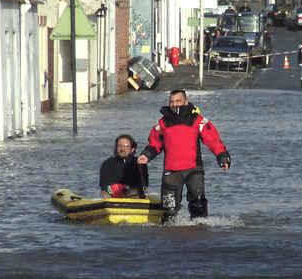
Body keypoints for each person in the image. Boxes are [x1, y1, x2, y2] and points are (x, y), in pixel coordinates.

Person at [137, 90, 231, 223]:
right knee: (169, 211)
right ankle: (169, 238)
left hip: (193, 169)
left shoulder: (198, 120)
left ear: (186, 102)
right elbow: (155, 143)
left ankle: (199, 233)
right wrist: (146, 155)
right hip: (171, 170)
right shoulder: (162, 123)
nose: (175, 105)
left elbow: (213, 140)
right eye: (172, 102)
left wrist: (222, 157)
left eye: (178, 101)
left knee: (198, 205)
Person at [99, 134, 148, 199]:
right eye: (119, 146)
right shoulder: (108, 163)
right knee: (104, 194)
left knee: (134, 193)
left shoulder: (139, 163)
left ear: (132, 149)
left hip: (134, 198)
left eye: (126, 146)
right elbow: (104, 185)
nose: (122, 149)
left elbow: (144, 184)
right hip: (113, 198)